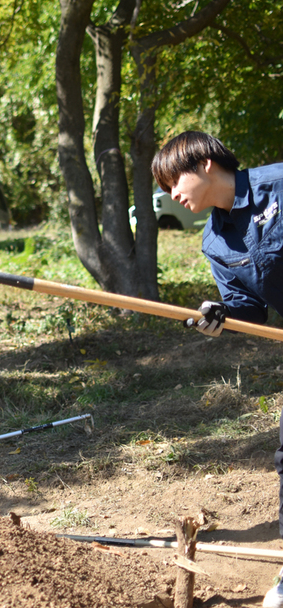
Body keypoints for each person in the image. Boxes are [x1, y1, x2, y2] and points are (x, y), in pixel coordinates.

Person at [151, 131, 283, 608]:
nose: (170, 195)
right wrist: (221, 321)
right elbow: (251, 314)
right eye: (164, 189)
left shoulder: (279, 185)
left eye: (172, 181)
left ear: (205, 163)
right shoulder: (215, 241)